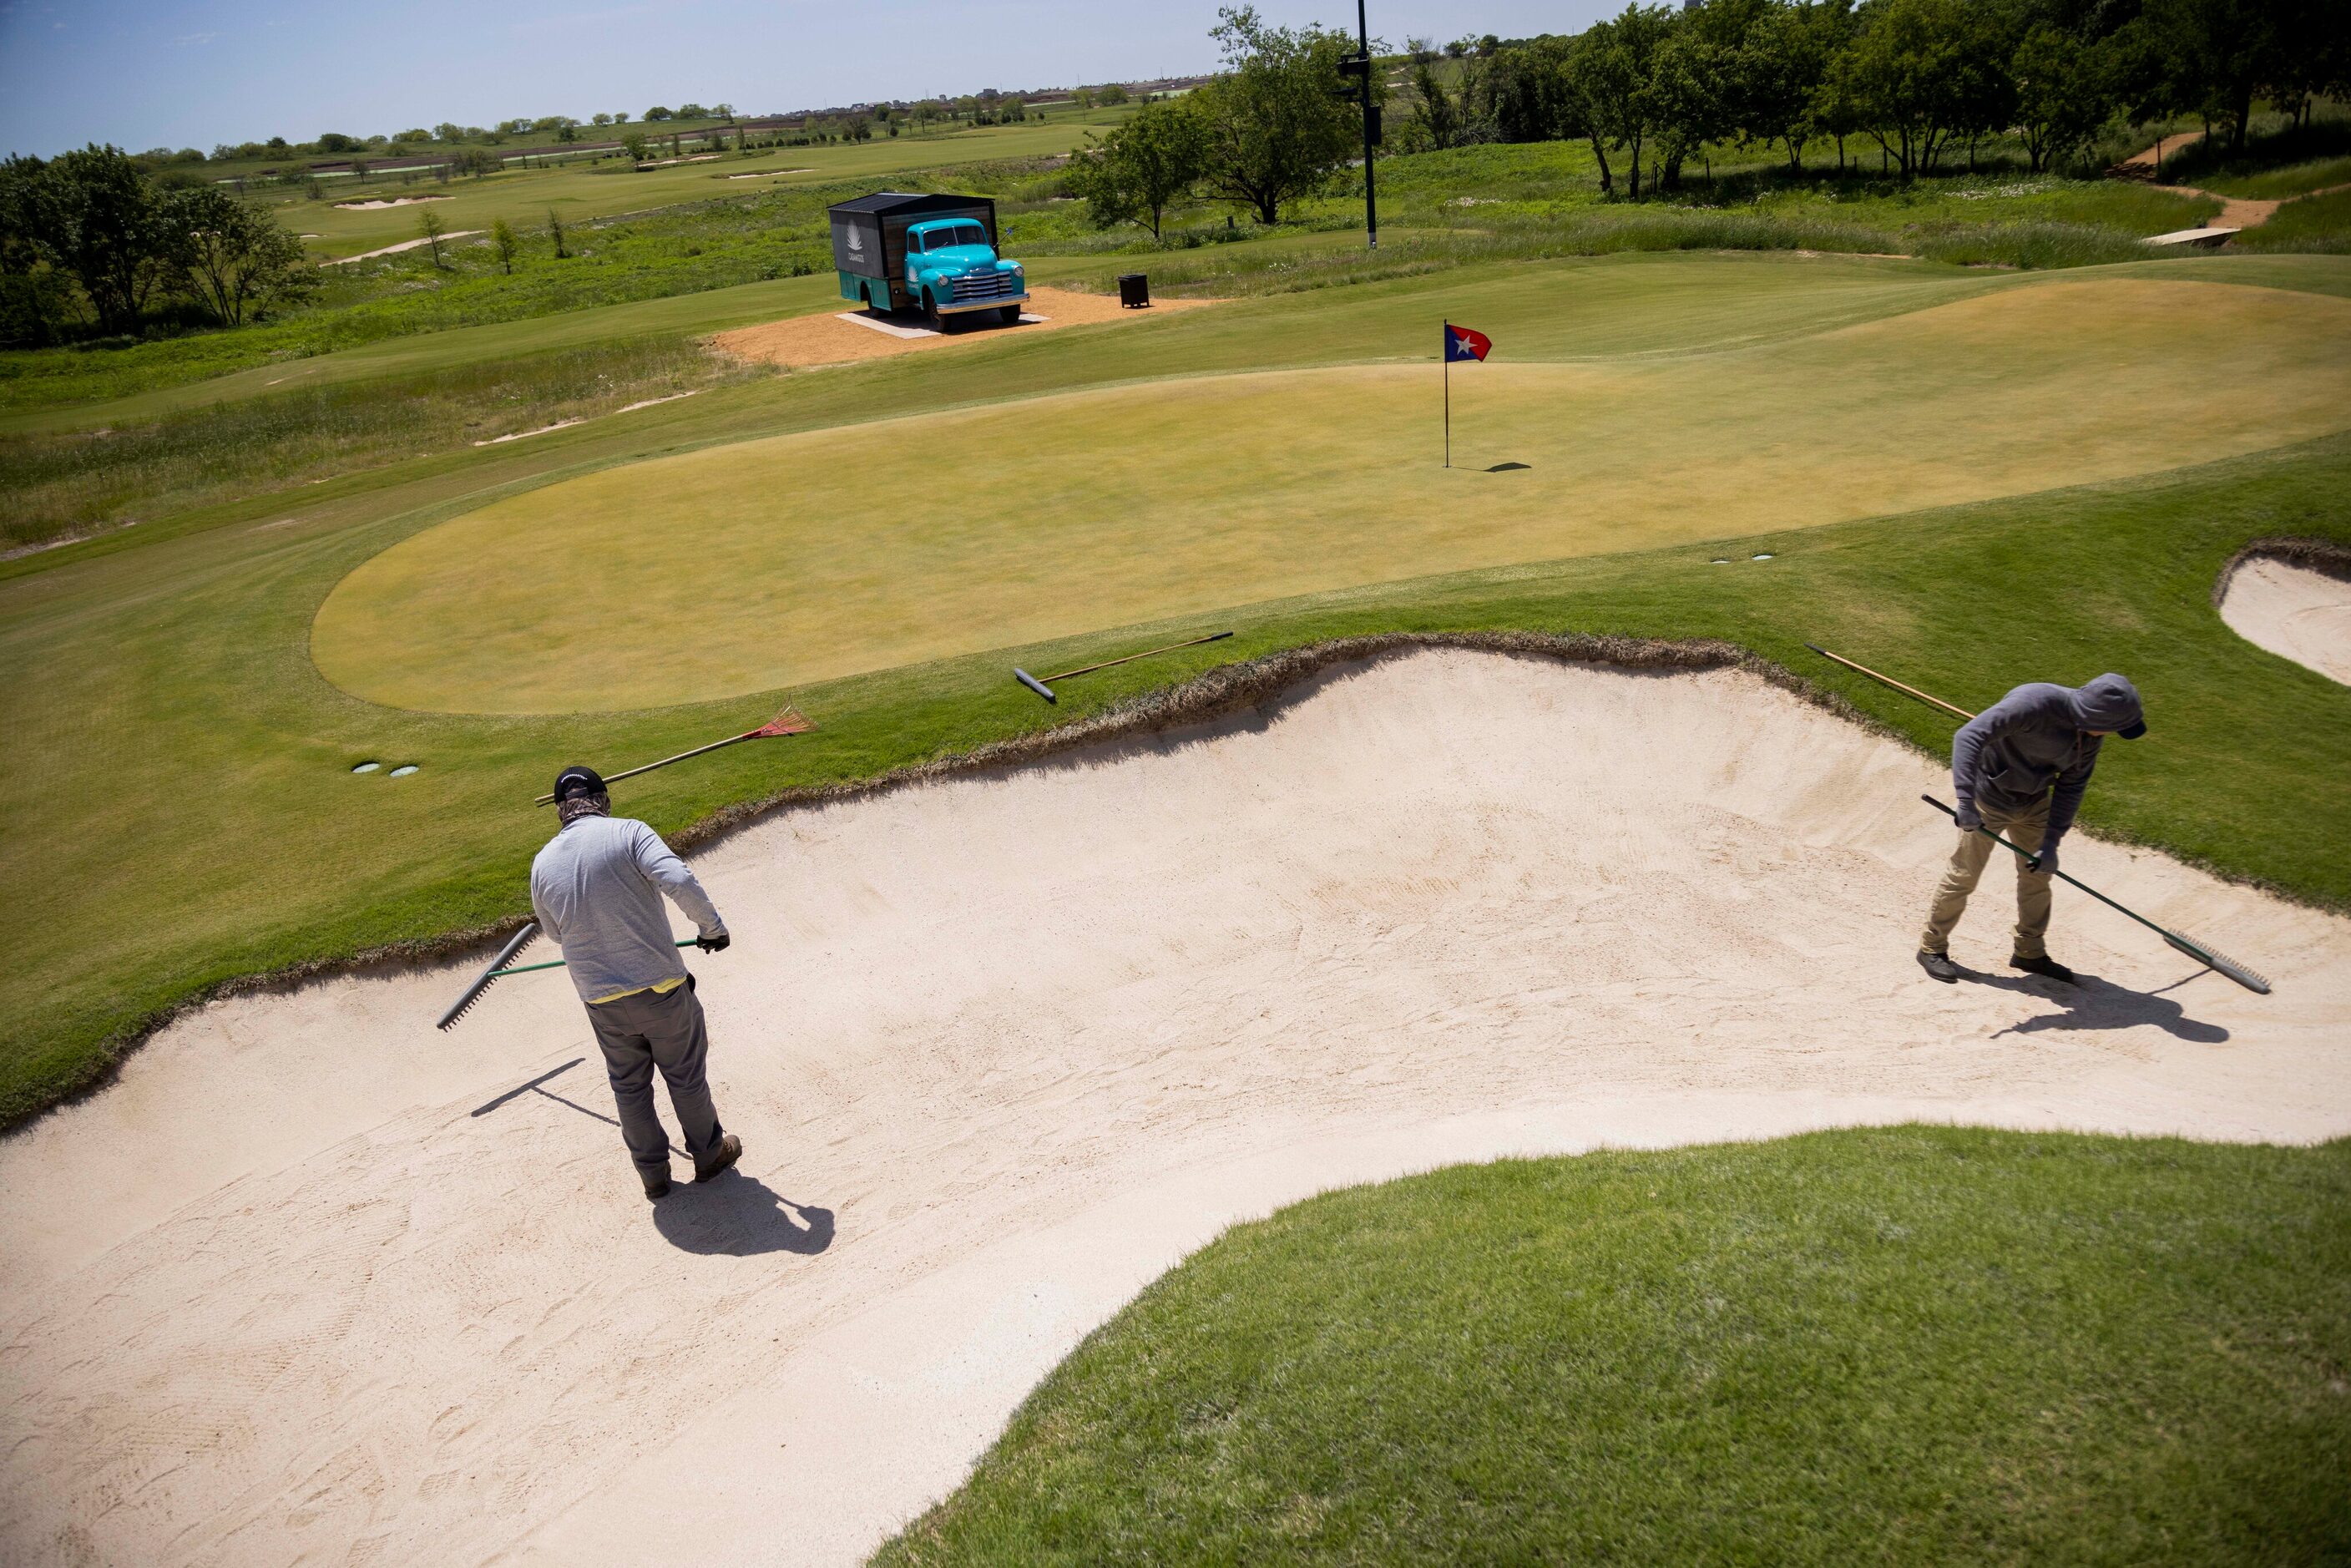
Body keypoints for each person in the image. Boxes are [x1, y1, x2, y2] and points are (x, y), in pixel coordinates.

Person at [531, 766, 742, 1199]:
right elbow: (678, 879)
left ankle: (654, 1176)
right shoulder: (629, 832)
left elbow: (554, 933)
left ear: (559, 811)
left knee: (629, 1086)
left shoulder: (542, 862)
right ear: (604, 801)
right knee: (684, 1076)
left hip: (601, 1000)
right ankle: (708, 1156)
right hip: (660, 987)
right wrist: (711, 928)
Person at [1916, 674, 2146, 985]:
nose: (2111, 734)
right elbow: (1969, 736)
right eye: (2112, 727)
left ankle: (2029, 952)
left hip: (2035, 803)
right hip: (1989, 799)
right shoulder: (2033, 703)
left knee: (2038, 877)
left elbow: (2072, 786)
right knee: (1964, 875)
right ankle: (1932, 947)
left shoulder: (2090, 737)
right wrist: (1966, 801)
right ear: (2093, 716)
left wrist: (2052, 842)